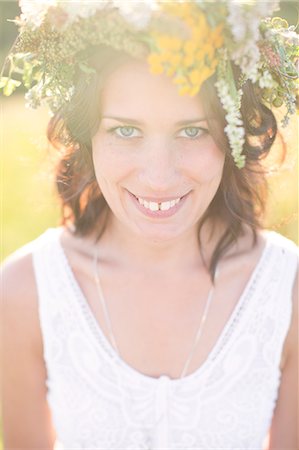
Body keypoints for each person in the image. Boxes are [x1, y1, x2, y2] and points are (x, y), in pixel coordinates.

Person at [1, 1, 298, 449]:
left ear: (232, 136)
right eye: (125, 131)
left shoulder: (287, 288)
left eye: (193, 131)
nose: (159, 177)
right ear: (87, 137)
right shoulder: (26, 291)